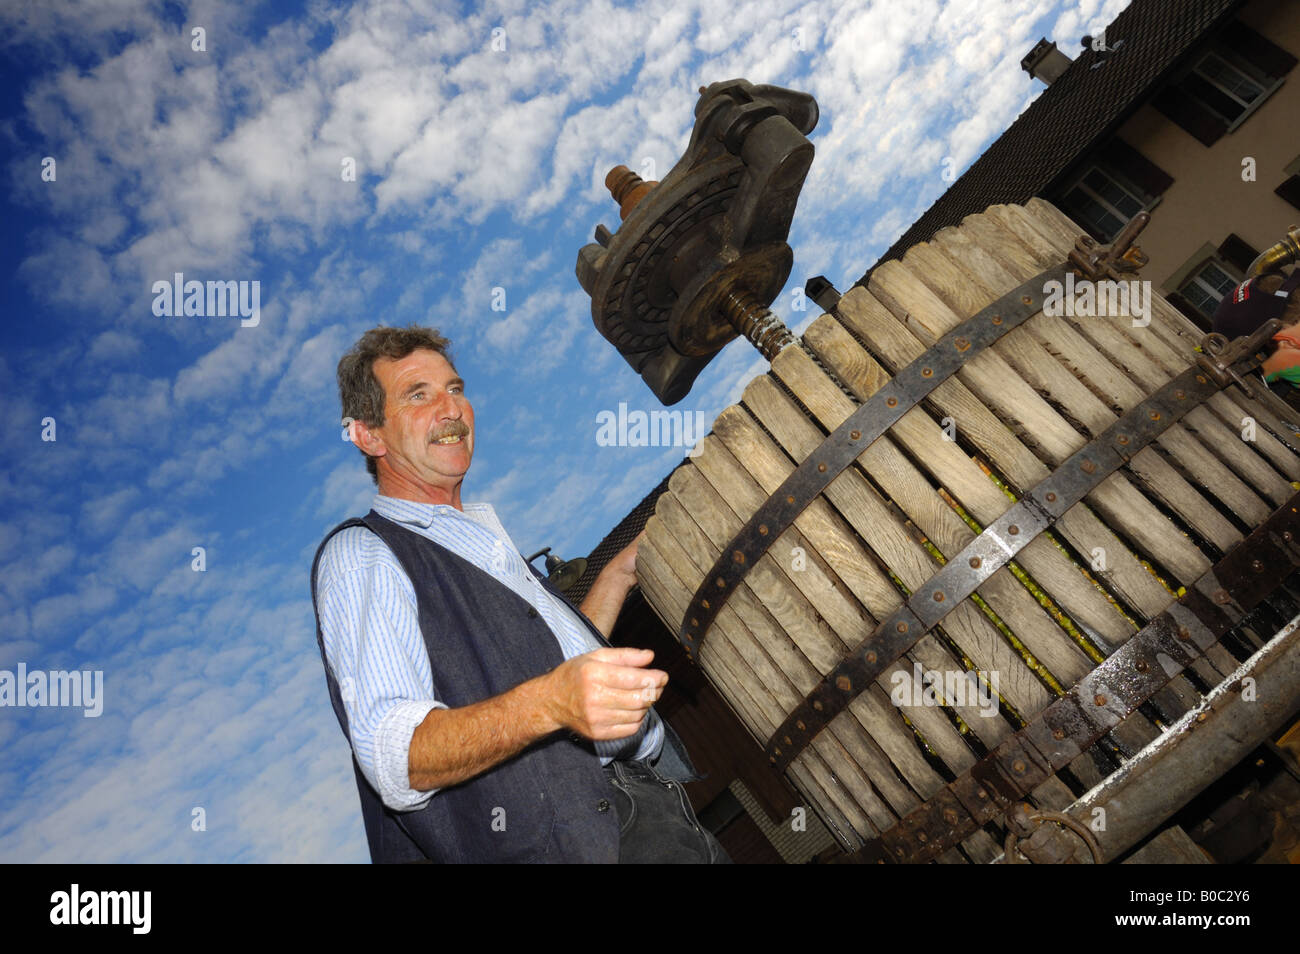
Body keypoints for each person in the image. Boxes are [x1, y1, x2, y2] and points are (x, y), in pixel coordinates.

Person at [310, 324, 727, 863]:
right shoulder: (363, 554)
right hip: (584, 844)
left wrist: (619, 576)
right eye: (419, 396)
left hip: (658, 808)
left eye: (455, 389)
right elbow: (397, 757)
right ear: (369, 435)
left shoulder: (481, 541)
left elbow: (566, 668)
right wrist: (550, 702)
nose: (451, 409)